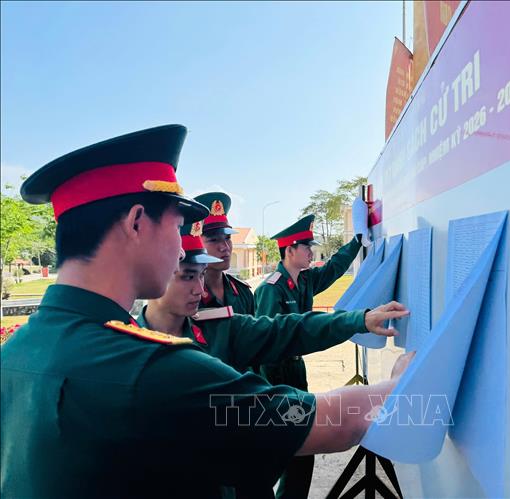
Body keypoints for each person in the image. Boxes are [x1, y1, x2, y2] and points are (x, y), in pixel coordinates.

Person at [0, 125, 413, 498]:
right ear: (137, 222)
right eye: (175, 225)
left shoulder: (15, 352)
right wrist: (399, 386)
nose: (182, 249)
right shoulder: (153, 368)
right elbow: (329, 423)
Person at [137, 221, 408, 373]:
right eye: (187, 276)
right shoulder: (127, 348)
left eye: (200, 275)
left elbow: (284, 330)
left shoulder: (224, 326)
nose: (198, 288)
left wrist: (358, 320)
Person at [254, 213, 364, 499]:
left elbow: (334, 267)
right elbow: (266, 345)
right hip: (274, 378)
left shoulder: (304, 280)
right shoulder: (270, 289)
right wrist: (274, 393)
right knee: (280, 451)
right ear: (289, 251)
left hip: (296, 373)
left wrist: (357, 241)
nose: (311, 252)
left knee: (303, 451)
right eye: (306, 247)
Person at [194, 192, 255, 314]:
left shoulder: (243, 293)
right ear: (195, 243)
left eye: (228, 238)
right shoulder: (188, 296)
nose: (225, 247)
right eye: (214, 240)